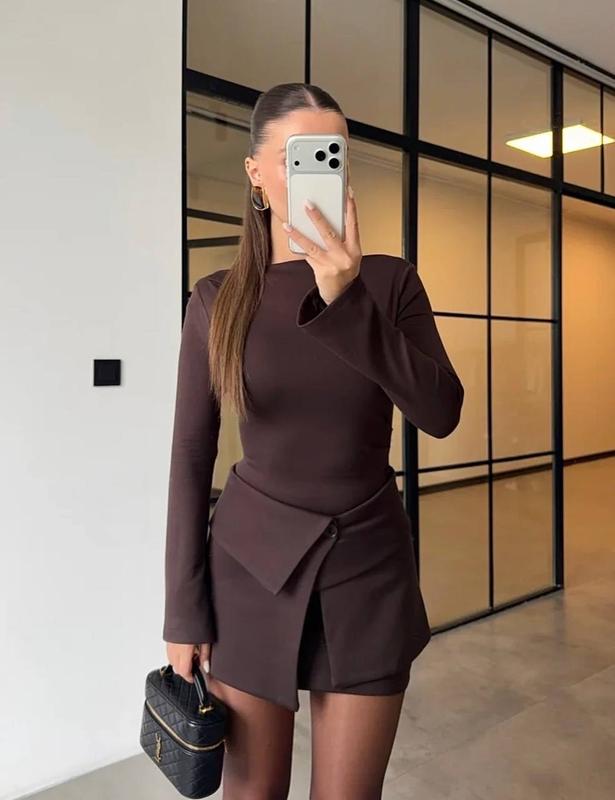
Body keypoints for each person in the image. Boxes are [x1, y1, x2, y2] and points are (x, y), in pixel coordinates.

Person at [162, 82, 464, 800]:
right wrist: (182, 610)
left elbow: (440, 411)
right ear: (256, 174)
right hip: (248, 570)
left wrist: (345, 297)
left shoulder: (389, 283)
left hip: (368, 569)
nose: (320, 170)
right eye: (300, 155)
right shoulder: (217, 298)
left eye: (334, 155)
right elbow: (190, 456)